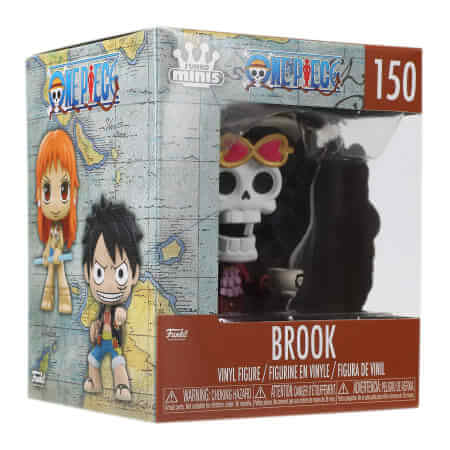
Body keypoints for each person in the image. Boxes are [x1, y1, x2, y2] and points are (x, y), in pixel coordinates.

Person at [81, 196, 143, 401]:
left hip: (114, 344)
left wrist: (121, 313)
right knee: (92, 359)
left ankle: (122, 386)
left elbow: (122, 314)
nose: (108, 285)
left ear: (134, 274)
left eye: (120, 273)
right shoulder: (102, 308)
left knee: (118, 363)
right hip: (101, 343)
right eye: (99, 273)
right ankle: (95, 382)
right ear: (87, 273)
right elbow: (99, 322)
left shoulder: (121, 306)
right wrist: (94, 327)